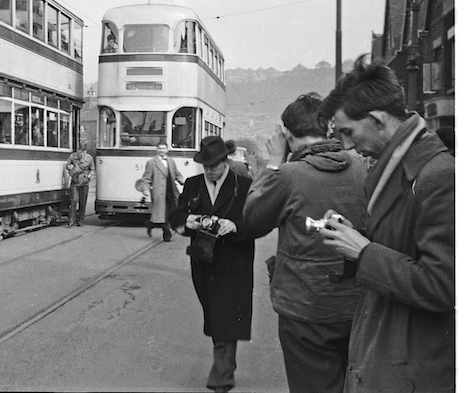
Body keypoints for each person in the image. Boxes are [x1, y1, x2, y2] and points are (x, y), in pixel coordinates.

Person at [317, 55, 454, 392]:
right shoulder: (401, 168)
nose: (347, 144)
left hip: (410, 365)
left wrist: (364, 253)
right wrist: (355, 240)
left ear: (378, 119)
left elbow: (444, 286)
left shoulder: (439, 176)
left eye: (349, 131)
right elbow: (402, 247)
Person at [236, 93, 367, 393]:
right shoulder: (362, 168)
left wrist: (272, 162)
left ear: (286, 133)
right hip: (357, 305)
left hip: (304, 309)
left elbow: (253, 220)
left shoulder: (288, 175)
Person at [168, 136, 255, 393]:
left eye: (214, 165)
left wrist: (236, 226)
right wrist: (189, 221)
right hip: (203, 260)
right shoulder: (194, 185)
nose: (210, 171)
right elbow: (176, 215)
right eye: (205, 166)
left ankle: (222, 377)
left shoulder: (245, 185)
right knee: (215, 315)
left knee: (226, 315)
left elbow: (259, 221)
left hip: (234, 261)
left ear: (225, 161)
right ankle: (226, 360)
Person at [136, 142, 185, 242]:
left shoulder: (171, 161)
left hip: (171, 191)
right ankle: (167, 235)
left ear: (167, 150)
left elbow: (176, 173)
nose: (162, 150)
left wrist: (181, 180)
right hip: (159, 193)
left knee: (170, 213)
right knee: (163, 215)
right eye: (160, 148)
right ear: (157, 149)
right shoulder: (151, 162)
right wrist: (145, 190)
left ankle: (150, 224)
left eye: (164, 148)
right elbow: (146, 178)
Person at [65, 140, 95, 227]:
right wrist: (73, 168)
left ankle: (80, 220)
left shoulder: (89, 158)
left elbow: (92, 168)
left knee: (83, 202)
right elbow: (67, 165)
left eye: (83, 151)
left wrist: (90, 175)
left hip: (84, 182)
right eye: (80, 150)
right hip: (75, 180)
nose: (81, 153)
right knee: (73, 200)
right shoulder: (72, 156)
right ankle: (71, 219)